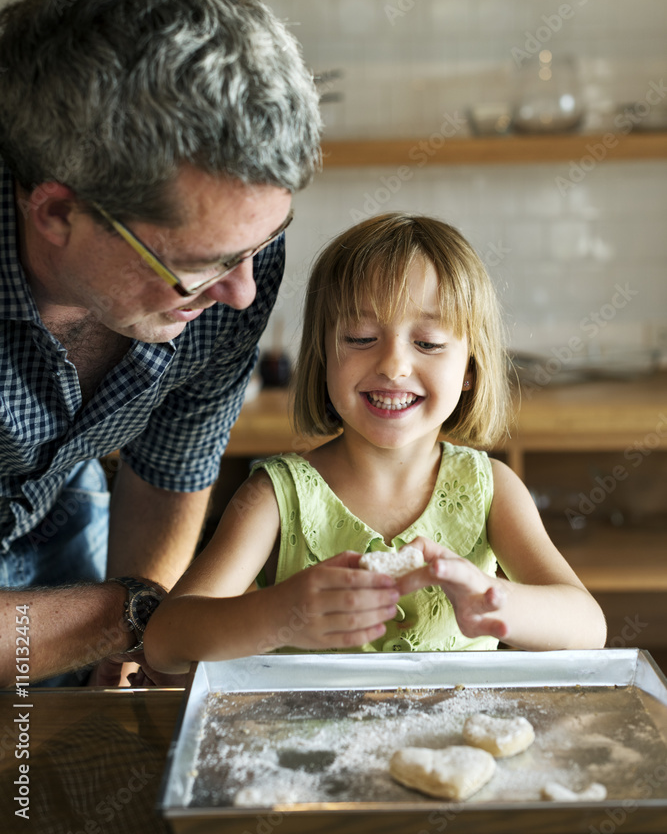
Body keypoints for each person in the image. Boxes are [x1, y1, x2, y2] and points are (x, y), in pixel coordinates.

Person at [0, 0, 321, 688]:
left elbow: (171, 464)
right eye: (198, 265)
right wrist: (141, 618)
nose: (242, 291)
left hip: (58, 509)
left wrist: (125, 649)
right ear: (57, 212)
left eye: (264, 241)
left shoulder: (235, 256)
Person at [144, 212, 606, 673]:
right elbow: (166, 641)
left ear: (470, 368)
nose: (393, 365)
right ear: (323, 355)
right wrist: (280, 616)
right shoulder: (275, 496)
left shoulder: (493, 489)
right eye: (361, 337)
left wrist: (494, 601)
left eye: (427, 343)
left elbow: (588, 627)